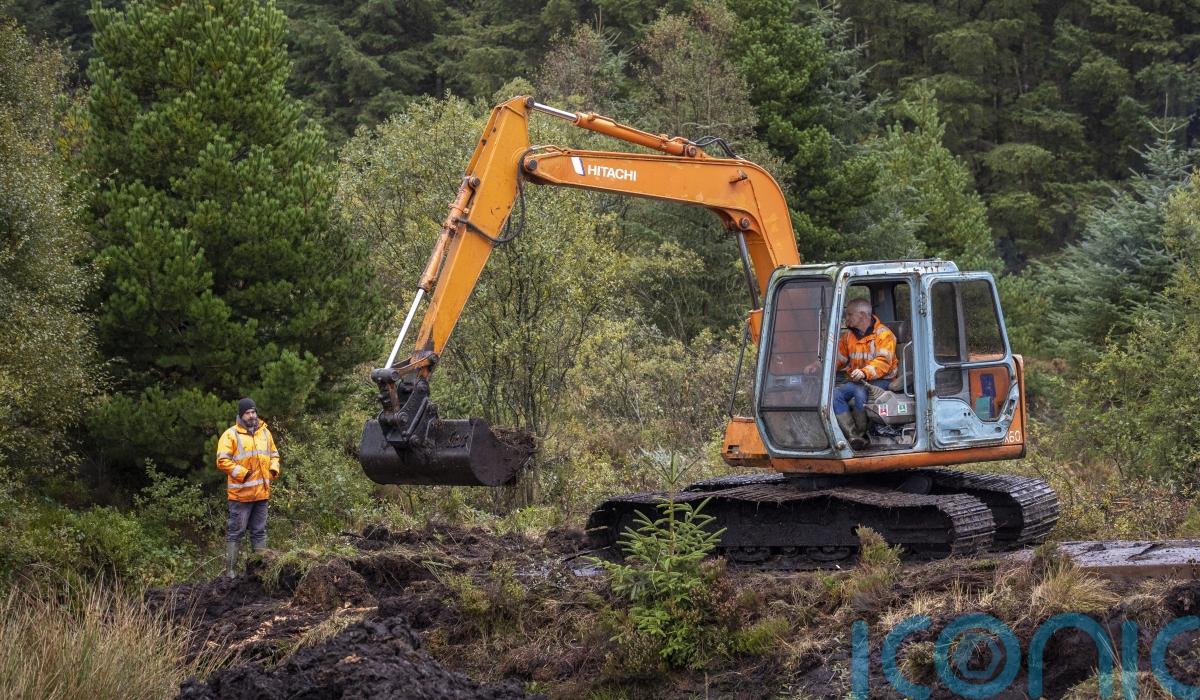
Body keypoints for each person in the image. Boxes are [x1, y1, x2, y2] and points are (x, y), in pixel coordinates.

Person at [216, 398, 280, 578]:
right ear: (241, 415)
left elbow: (274, 454)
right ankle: (230, 573)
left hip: (261, 494)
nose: (251, 415)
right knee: (236, 533)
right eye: (247, 413)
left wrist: (273, 470)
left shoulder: (265, 432)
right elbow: (222, 460)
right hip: (240, 496)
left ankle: (260, 572)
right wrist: (242, 473)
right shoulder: (230, 435)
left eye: (253, 412)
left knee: (259, 532)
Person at [833, 298, 897, 450]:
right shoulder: (849, 336)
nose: (846, 318)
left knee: (859, 392)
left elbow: (883, 363)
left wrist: (864, 372)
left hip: (883, 380)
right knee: (834, 395)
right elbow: (839, 359)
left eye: (849, 314)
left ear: (862, 315)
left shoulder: (884, 335)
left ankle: (862, 434)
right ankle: (853, 436)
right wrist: (820, 367)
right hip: (859, 380)